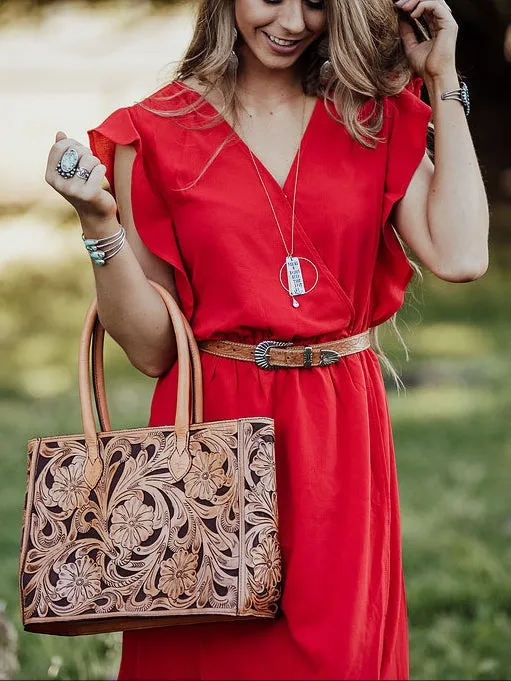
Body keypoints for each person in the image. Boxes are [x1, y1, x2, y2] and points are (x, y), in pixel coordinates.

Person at [45, 0, 489, 678]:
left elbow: (461, 253)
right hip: (211, 433)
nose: (290, 21)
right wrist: (99, 224)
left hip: (338, 437)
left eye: (314, 2)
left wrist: (441, 78)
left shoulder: (369, 115)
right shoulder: (151, 131)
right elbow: (151, 349)